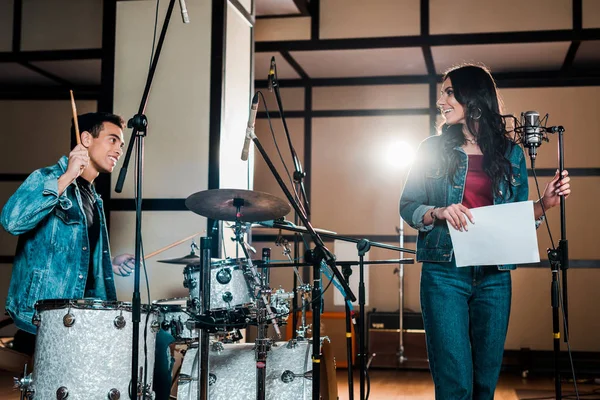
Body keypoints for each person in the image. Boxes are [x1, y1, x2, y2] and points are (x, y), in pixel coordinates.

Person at [399, 64, 571, 400]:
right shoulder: (430, 149)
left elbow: (516, 216)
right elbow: (408, 205)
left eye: (449, 92)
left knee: (484, 383)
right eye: (442, 93)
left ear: (474, 98)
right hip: (445, 274)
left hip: (495, 277)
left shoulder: (511, 154)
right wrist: (438, 211)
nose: (441, 101)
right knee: (455, 383)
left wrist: (544, 205)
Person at [1, 112, 134, 349]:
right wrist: (68, 176)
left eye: (121, 144)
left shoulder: (94, 198)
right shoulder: (47, 177)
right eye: (112, 140)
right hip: (44, 314)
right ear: (85, 139)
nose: (119, 149)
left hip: (79, 316)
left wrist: (107, 264)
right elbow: (13, 221)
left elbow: (73, 253)